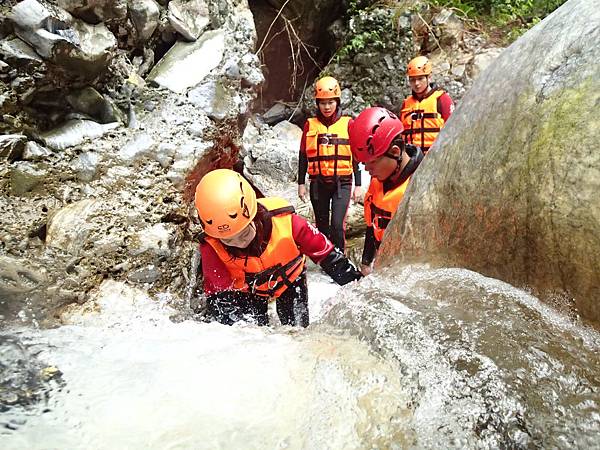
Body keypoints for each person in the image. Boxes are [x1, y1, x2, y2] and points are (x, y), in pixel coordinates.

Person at [195, 168, 362, 327]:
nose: (239, 242)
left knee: (297, 331)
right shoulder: (211, 245)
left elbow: (329, 257)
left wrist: (361, 287)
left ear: (254, 217)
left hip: (290, 281)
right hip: (247, 292)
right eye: (228, 241)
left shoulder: (289, 223)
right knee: (253, 333)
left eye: (244, 233)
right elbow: (220, 297)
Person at [348, 107, 424, 276]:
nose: (367, 169)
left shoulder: (422, 187)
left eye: (372, 163)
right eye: (364, 163)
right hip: (384, 264)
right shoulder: (377, 182)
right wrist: (366, 262)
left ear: (395, 152)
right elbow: (372, 225)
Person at [297, 76, 362, 253]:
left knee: (336, 225)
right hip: (318, 183)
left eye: (331, 102)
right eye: (323, 103)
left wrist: (358, 185)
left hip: (342, 182)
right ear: (317, 103)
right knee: (322, 225)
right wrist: (301, 183)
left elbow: (355, 155)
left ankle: (340, 258)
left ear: (337, 102)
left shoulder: (348, 124)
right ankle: (326, 259)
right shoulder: (310, 125)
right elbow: (303, 155)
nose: (327, 107)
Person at [400, 56, 454, 154]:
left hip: (435, 156)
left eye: (420, 79)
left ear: (429, 77)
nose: (416, 84)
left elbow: (453, 129)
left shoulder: (442, 99)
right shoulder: (406, 104)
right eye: (412, 80)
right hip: (412, 160)